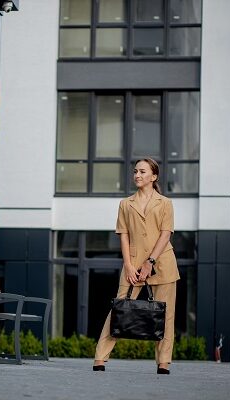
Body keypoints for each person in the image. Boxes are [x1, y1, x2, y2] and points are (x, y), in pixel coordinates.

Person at [92, 158, 180, 375]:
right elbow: (124, 236)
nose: (137, 175)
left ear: (154, 176)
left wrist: (150, 262)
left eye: (142, 171)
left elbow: (165, 234)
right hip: (132, 264)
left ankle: (163, 362)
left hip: (163, 264)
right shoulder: (125, 204)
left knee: (166, 314)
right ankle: (100, 358)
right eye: (135, 172)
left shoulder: (165, 203)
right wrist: (129, 266)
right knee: (119, 308)